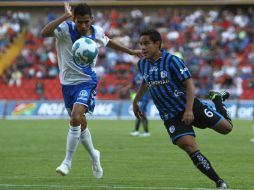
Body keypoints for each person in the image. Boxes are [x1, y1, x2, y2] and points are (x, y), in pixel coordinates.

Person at [40, 2, 141, 179]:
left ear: (91, 19)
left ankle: (67, 162)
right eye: (80, 22)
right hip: (67, 84)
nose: (84, 25)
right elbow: (44, 33)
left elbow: (109, 43)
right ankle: (95, 155)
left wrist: (130, 51)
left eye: (87, 21)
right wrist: (63, 17)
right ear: (74, 19)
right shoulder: (64, 29)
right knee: (81, 124)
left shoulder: (97, 32)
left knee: (75, 117)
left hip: (87, 82)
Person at [132, 29, 233, 189]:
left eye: (146, 43)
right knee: (189, 146)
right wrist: (136, 101)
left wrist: (189, 109)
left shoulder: (172, 61)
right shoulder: (142, 63)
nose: (142, 47)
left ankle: (217, 99)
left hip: (190, 106)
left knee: (227, 128)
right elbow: (145, 82)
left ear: (157, 44)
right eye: (141, 44)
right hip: (170, 115)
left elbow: (190, 85)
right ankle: (219, 182)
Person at [128, 72, 150, 137]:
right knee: (143, 114)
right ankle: (146, 132)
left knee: (140, 113)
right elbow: (132, 86)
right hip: (139, 98)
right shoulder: (136, 75)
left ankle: (136, 131)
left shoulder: (146, 74)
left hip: (145, 97)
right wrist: (132, 93)